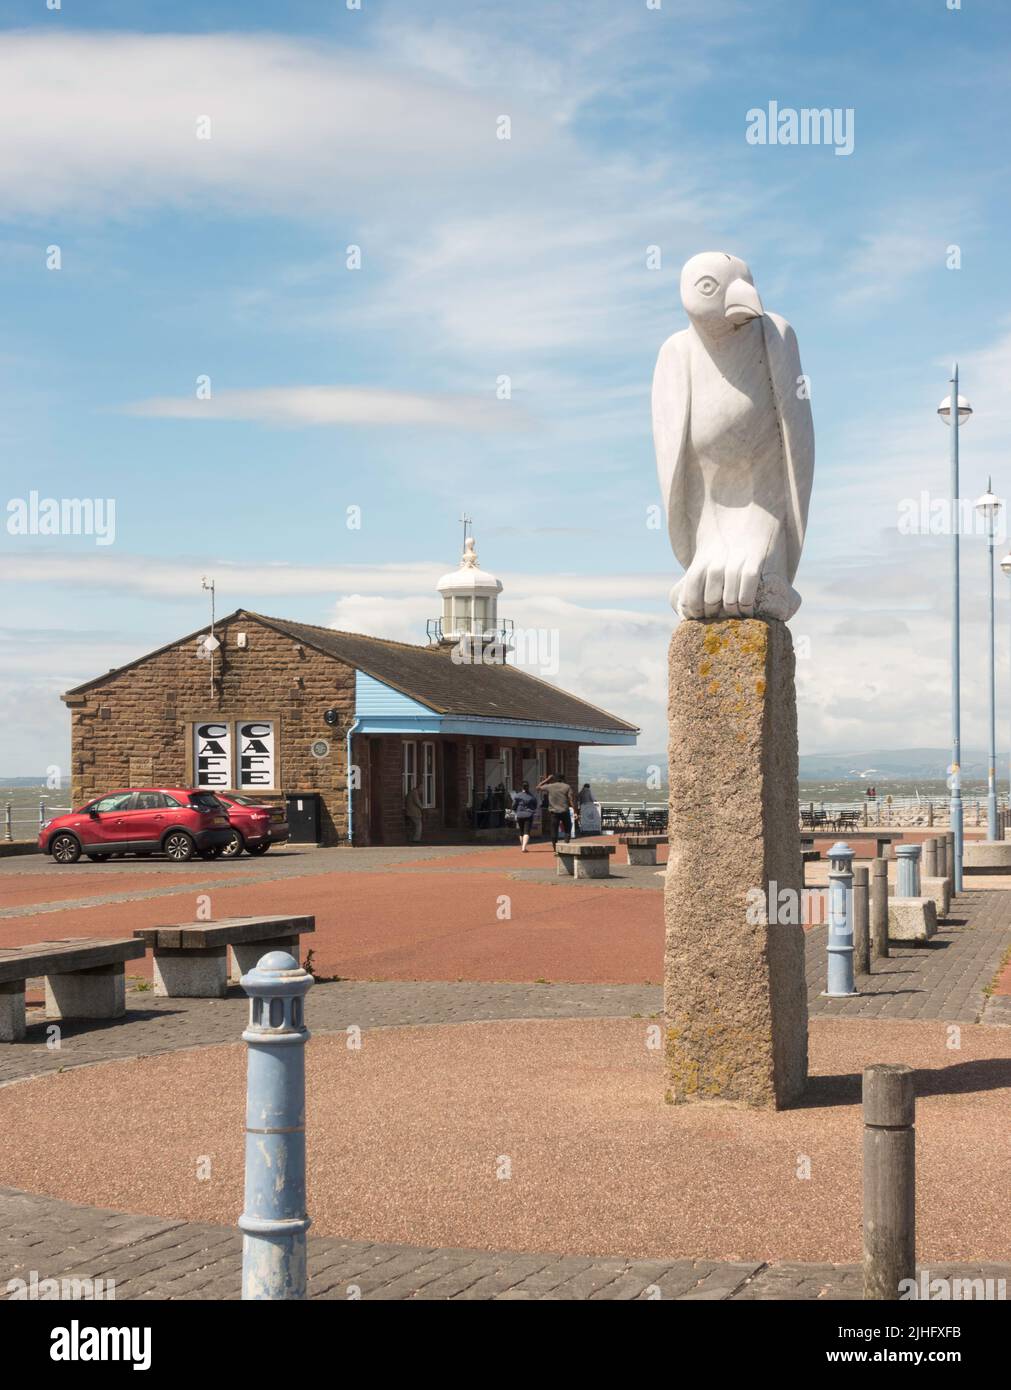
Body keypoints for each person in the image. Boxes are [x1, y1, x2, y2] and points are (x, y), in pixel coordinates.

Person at [536, 773, 575, 850]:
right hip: (564, 811)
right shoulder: (567, 787)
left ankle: (555, 848)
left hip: (554, 812)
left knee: (554, 830)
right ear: (563, 779)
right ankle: (566, 844)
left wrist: (547, 779)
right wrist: (575, 810)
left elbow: (537, 787)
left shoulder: (550, 786)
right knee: (567, 828)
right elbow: (571, 799)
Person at [511, 780, 539, 851]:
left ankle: (522, 846)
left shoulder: (517, 796)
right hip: (528, 815)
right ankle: (524, 847)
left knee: (521, 831)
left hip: (519, 815)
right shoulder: (532, 797)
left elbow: (513, 805)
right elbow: (535, 806)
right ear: (528, 787)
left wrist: (515, 810)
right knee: (526, 832)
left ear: (522, 787)